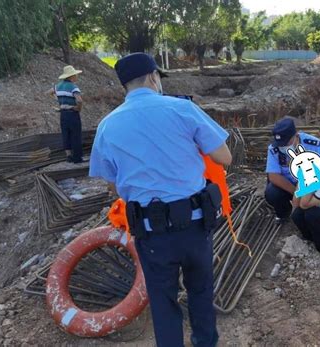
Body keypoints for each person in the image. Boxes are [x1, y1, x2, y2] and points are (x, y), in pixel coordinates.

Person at [89, 52, 231, 347]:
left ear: (124, 86)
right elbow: (224, 157)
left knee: (163, 304)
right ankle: (205, 342)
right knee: (201, 292)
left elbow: (112, 182)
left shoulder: (107, 126)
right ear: (154, 77)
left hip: (152, 235)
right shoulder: (183, 109)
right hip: (195, 226)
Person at [265, 118, 320, 222]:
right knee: (272, 192)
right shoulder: (274, 149)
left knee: (311, 211)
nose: (283, 146)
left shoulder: (314, 145)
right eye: (280, 144)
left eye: (286, 142)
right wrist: (297, 193)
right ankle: (284, 214)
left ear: (296, 135)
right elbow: (273, 176)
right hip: (290, 187)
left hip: (313, 187)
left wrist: (308, 194)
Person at [47, 65, 84, 163]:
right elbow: (79, 100)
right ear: (71, 76)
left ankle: (68, 156)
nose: (76, 76)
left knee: (66, 134)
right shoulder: (73, 87)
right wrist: (78, 109)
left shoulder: (58, 86)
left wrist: (58, 99)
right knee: (76, 135)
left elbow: (49, 92)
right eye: (75, 75)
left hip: (63, 114)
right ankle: (77, 157)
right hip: (72, 113)